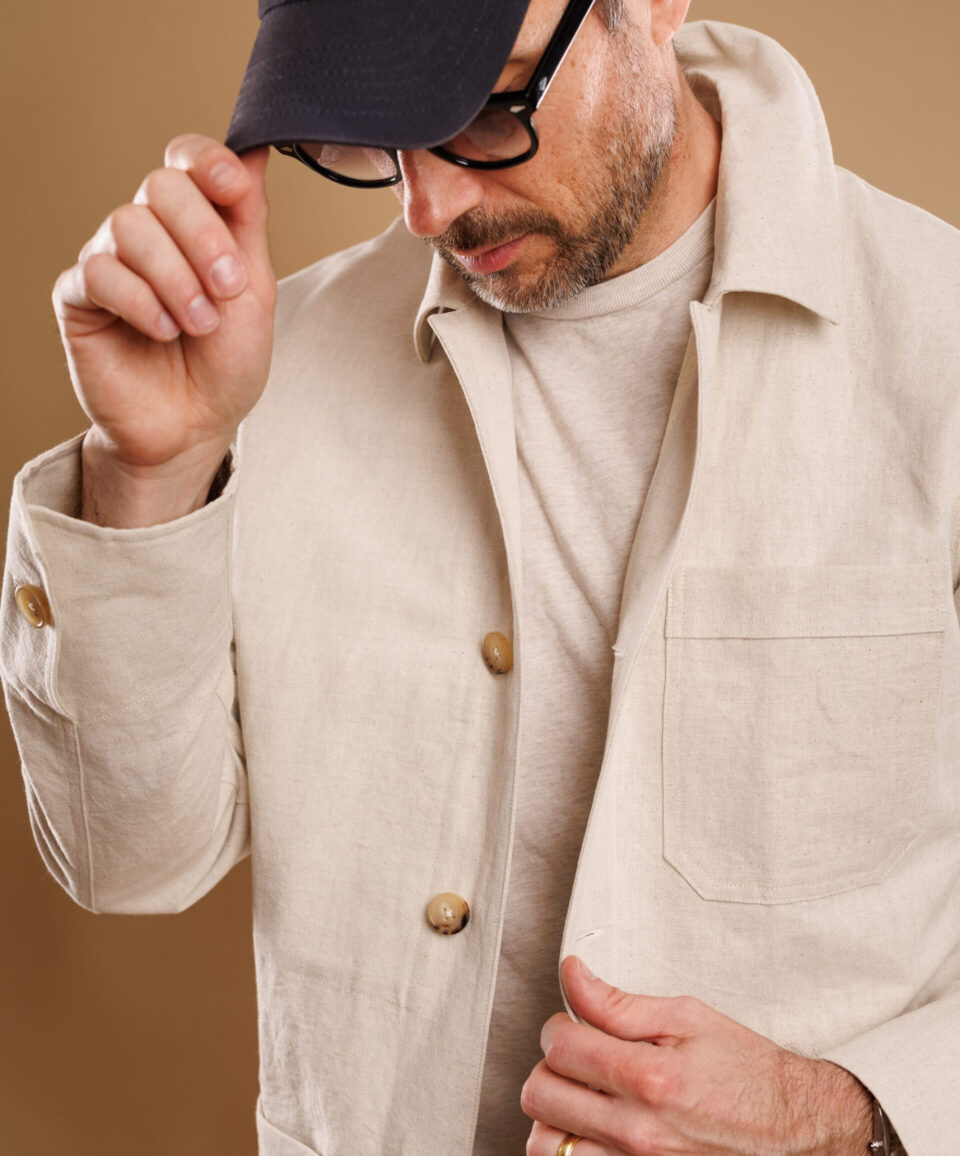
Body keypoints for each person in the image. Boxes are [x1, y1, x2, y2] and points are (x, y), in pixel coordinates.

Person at [2, 0, 958, 1152]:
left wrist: (844, 1115)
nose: (430, 206)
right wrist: (150, 470)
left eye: (491, 102)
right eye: (372, 135)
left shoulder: (939, 342)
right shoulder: (262, 371)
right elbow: (127, 860)